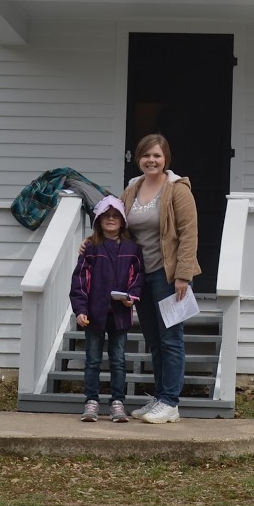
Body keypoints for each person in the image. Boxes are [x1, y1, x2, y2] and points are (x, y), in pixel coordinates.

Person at [120, 133, 199, 424]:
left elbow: (189, 234)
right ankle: (159, 396)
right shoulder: (132, 189)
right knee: (154, 340)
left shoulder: (177, 189)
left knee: (171, 340)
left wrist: (183, 276)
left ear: (166, 158)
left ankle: (170, 402)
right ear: (138, 158)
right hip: (142, 277)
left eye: (156, 155)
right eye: (145, 155)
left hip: (169, 277)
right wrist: (91, 243)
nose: (151, 160)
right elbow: (114, 221)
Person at [68, 195, 143, 423]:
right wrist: (80, 309)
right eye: (106, 216)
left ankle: (117, 402)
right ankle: (91, 402)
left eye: (115, 216)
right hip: (93, 314)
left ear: (122, 221)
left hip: (119, 314)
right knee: (92, 360)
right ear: (99, 221)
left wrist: (131, 296)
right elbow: (79, 280)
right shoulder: (91, 248)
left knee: (118, 359)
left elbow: (138, 277)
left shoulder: (132, 249)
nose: (111, 220)